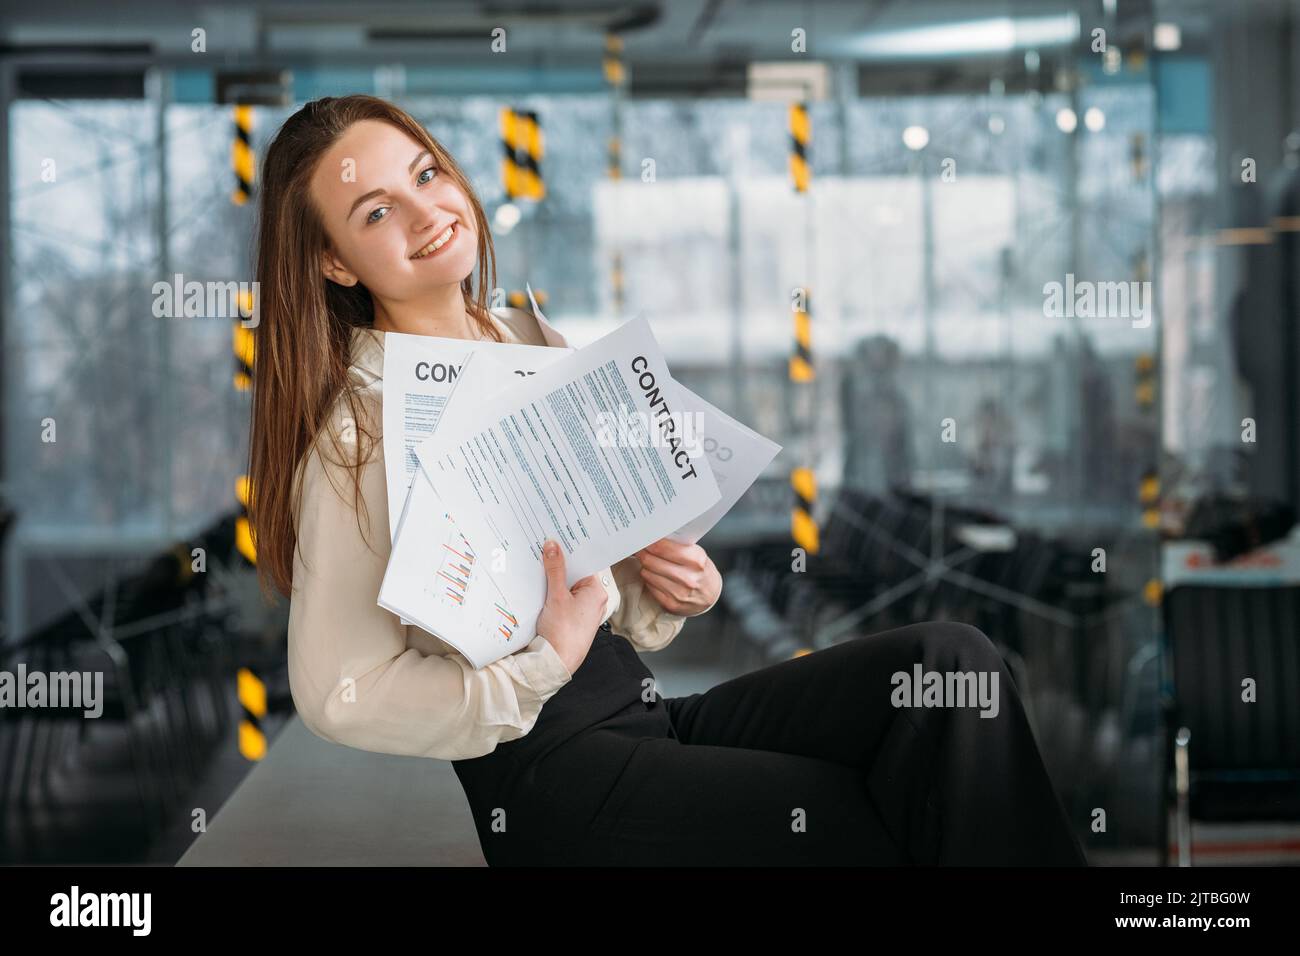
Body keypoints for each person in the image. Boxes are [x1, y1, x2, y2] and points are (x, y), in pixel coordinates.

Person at [248, 94, 1087, 867]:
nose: (428, 211)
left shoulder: (529, 342)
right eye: (377, 210)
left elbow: (592, 581)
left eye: (426, 173)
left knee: (952, 669)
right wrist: (539, 666)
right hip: (551, 779)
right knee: (865, 818)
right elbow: (338, 693)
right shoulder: (357, 436)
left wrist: (660, 584)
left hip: (643, 715)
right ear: (335, 263)